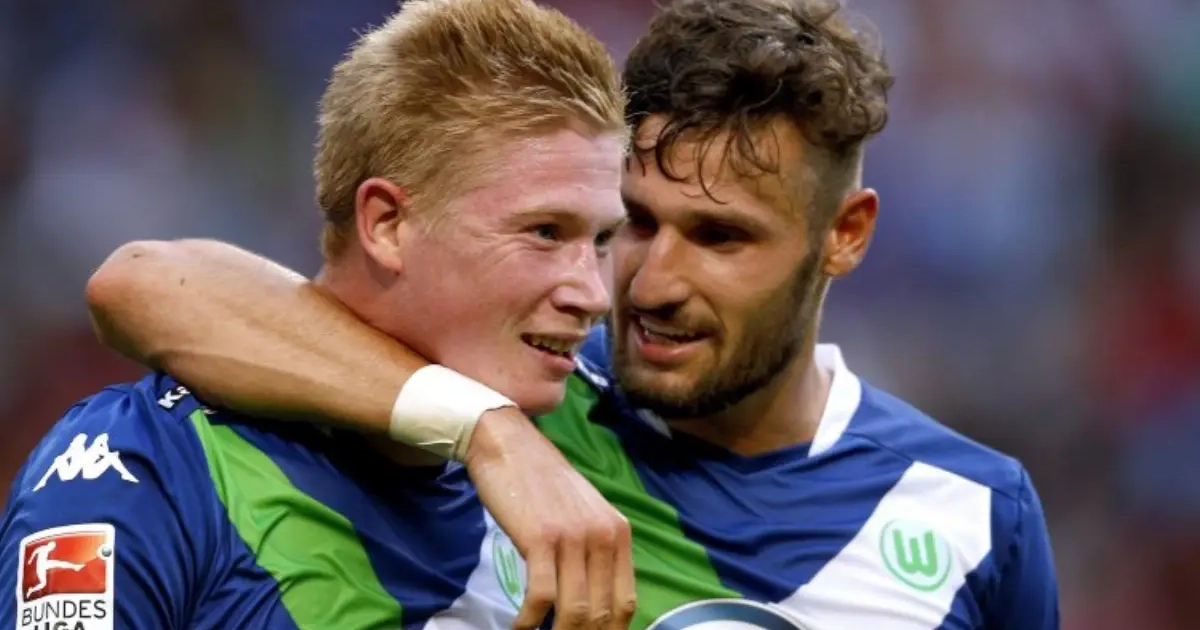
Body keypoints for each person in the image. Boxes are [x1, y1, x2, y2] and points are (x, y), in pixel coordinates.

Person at [92, 0, 1060, 628]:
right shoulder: (526, 377)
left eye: (720, 237)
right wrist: (491, 432)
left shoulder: (973, 519)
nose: (648, 283)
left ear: (844, 234)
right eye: (632, 222)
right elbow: (145, 286)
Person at [0, 0, 637, 628]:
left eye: (603, 239)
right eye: (545, 233)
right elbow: (136, 279)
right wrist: (487, 429)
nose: (593, 294)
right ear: (386, 225)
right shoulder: (149, 465)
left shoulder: (599, 445)